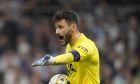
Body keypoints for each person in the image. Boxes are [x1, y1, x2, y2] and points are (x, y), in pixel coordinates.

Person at [32, 10, 100, 84]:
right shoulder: (69, 46)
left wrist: (53, 60)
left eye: (61, 27)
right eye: (56, 28)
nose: (57, 31)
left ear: (73, 27)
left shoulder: (87, 45)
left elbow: (72, 56)